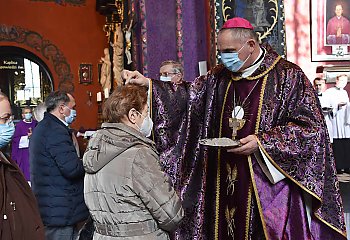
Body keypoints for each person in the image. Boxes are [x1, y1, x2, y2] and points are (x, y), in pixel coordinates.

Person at [122, 17, 347, 239]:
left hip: (268, 190)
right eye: (221, 51)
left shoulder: (288, 77)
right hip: (221, 181)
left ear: (251, 45)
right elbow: (188, 98)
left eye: (229, 51)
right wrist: (150, 84)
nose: (224, 58)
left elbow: (311, 130)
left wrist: (262, 142)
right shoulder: (218, 77)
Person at [83, 84, 184, 239]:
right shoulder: (138, 154)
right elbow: (172, 215)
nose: (149, 119)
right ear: (133, 115)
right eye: (146, 112)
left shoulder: (95, 148)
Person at [29, 91, 88, 240]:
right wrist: (87, 162)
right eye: (72, 107)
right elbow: (72, 169)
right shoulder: (55, 131)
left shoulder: (45, 126)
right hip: (60, 209)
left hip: (54, 205)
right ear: (62, 108)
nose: (74, 111)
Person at [0, 92, 45, 240]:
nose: (10, 124)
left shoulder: (4, 161)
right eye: (5, 119)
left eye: (11, 118)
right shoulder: (20, 127)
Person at [325, 74, 350, 174]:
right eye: (341, 81)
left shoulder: (344, 92)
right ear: (336, 80)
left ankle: (347, 166)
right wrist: (337, 105)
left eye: (345, 81)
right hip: (335, 120)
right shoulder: (329, 92)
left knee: (347, 144)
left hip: (345, 121)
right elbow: (326, 105)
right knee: (338, 144)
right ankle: (339, 167)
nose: (343, 83)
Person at [11, 106, 38, 181]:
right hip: (24, 153)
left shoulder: (36, 124)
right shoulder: (19, 125)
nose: (28, 114)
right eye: (26, 113)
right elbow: (15, 140)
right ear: (22, 115)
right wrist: (27, 138)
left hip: (35, 152)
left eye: (29, 112)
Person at [313, 77, 333, 142]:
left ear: (323, 85)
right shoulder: (311, 96)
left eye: (320, 85)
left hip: (326, 120)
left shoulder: (328, 96)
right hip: (315, 122)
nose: (318, 87)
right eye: (316, 85)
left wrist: (331, 110)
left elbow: (332, 107)